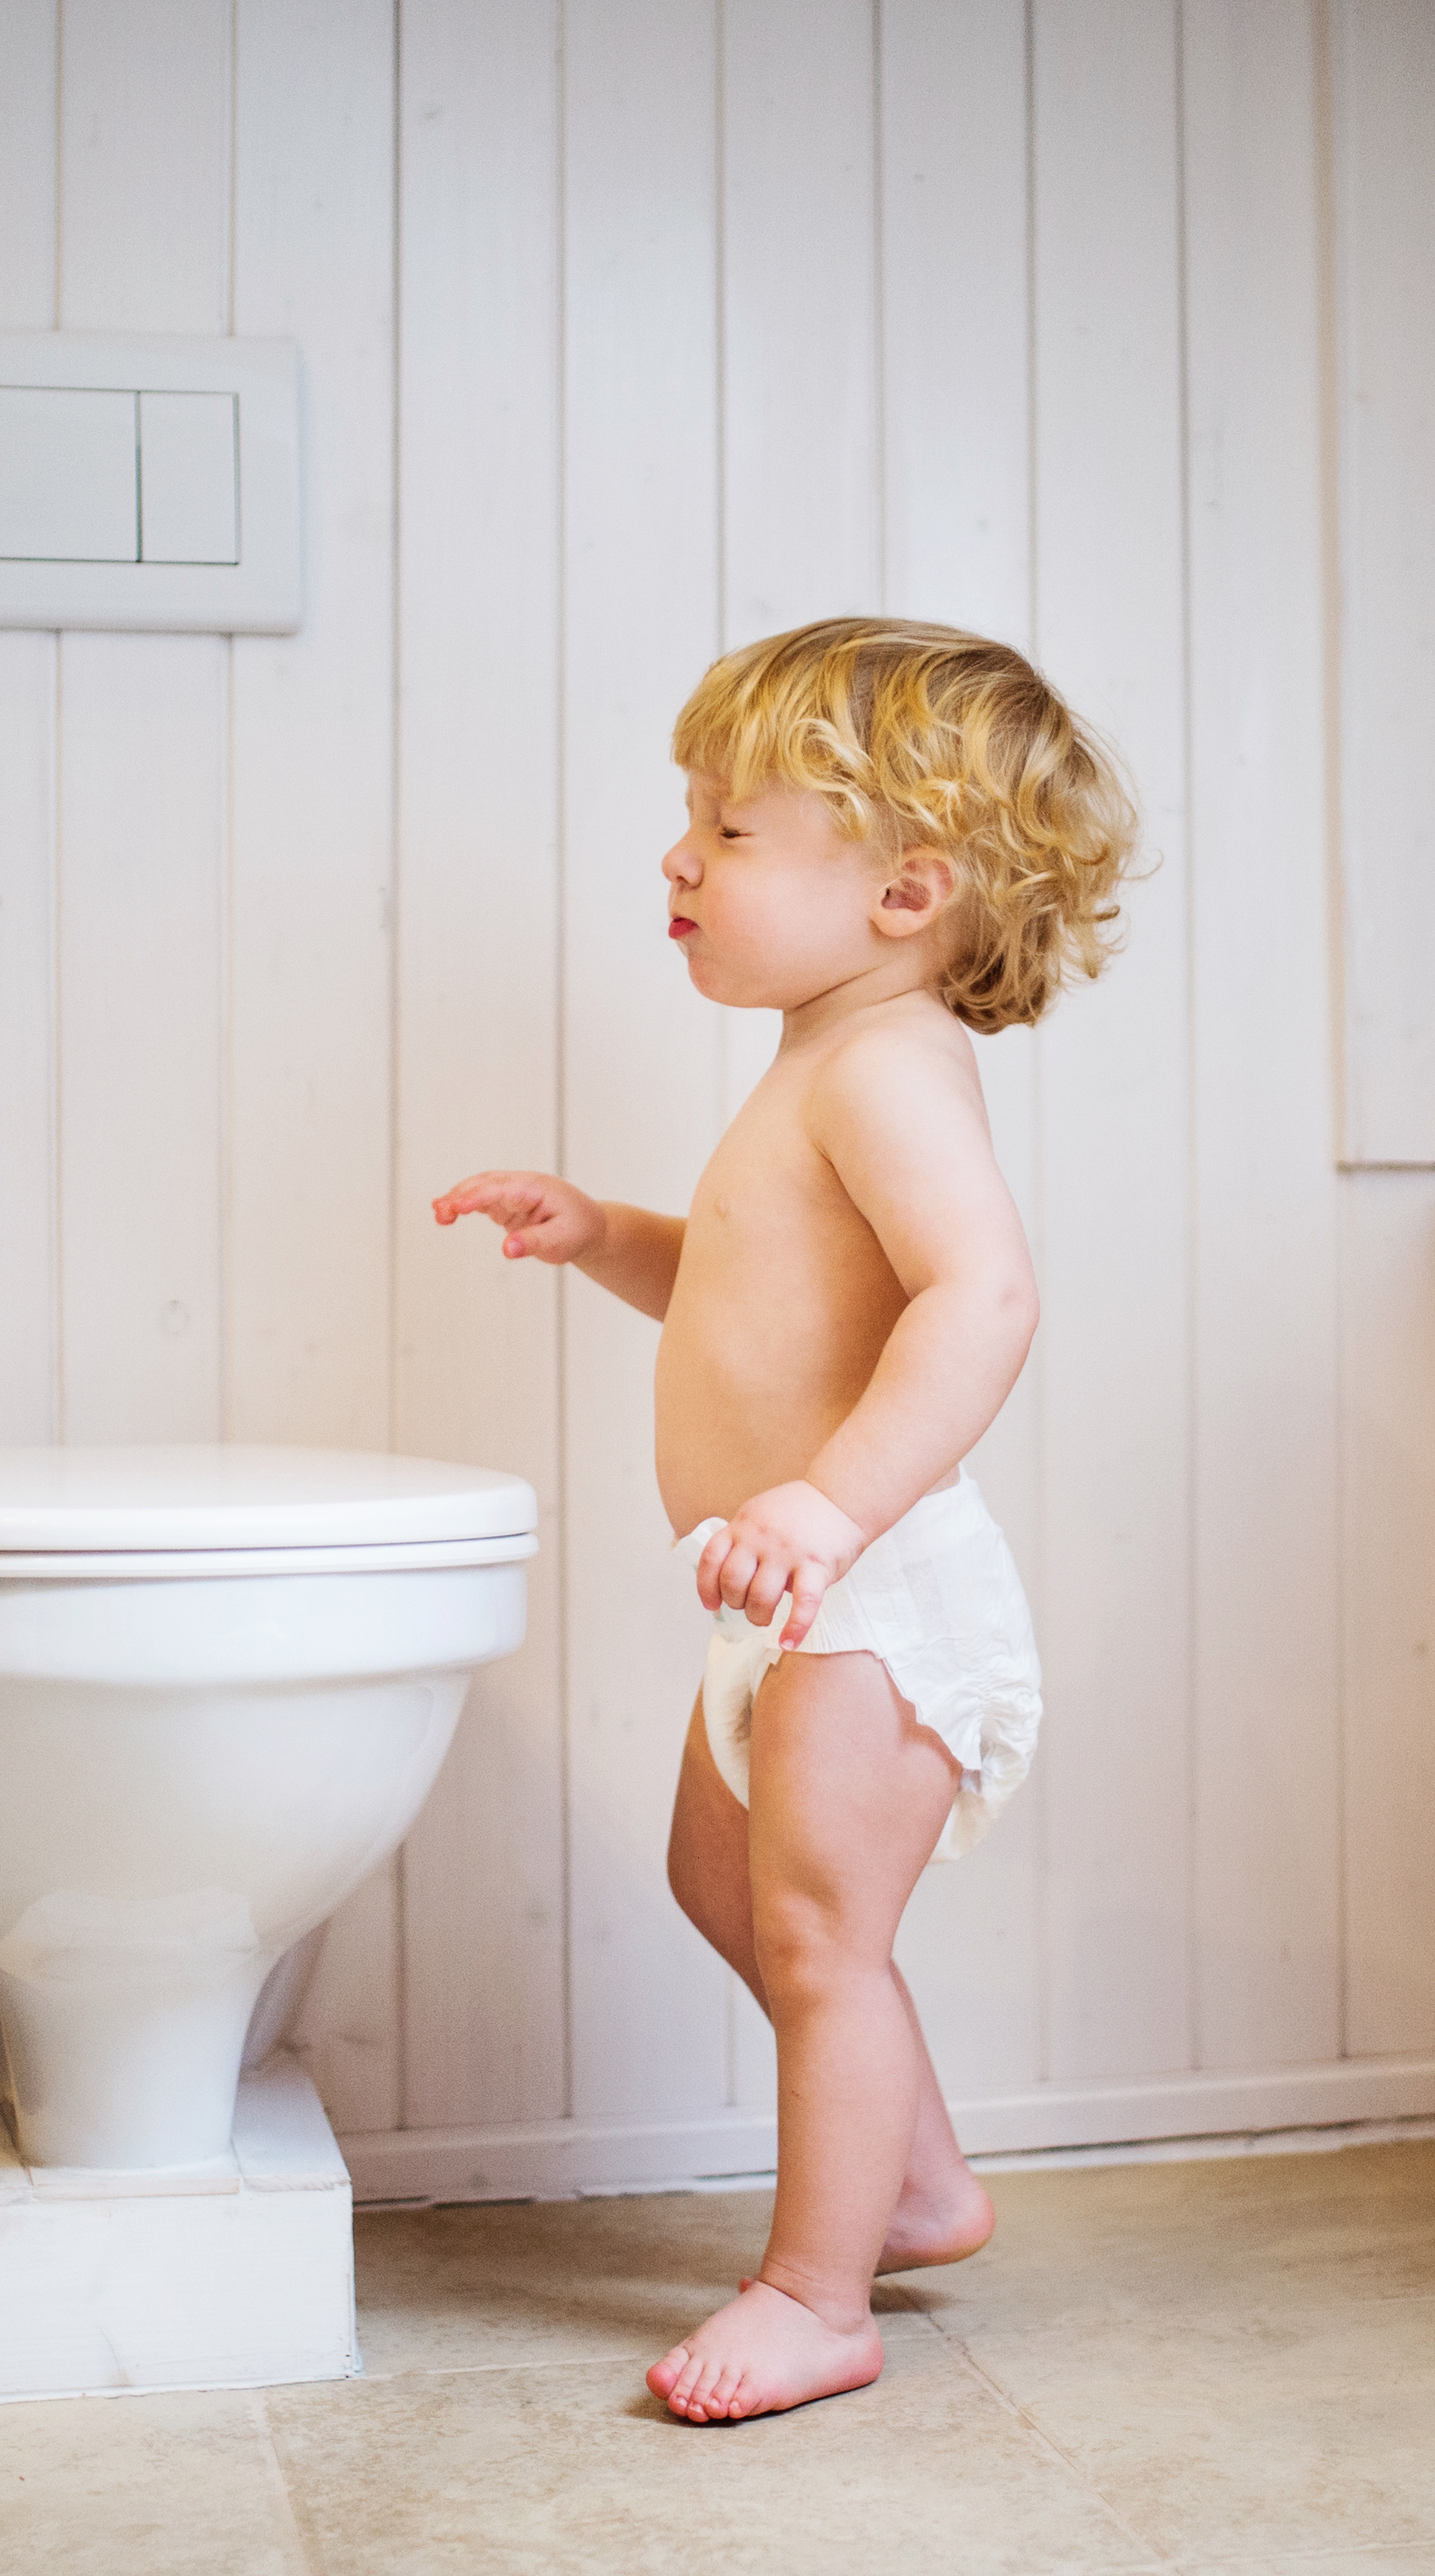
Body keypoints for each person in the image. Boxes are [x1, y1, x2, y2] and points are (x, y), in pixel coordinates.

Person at [432, 616, 1138, 2423]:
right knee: (724, 1884)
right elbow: (765, 1297)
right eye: (692, 818)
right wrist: (611, 1235)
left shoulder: (886, 1068)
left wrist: (827, 1506)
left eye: (731, 830)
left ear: (905, 891)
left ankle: (819, 2290)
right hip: (795, 1593)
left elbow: (980, 1296)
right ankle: (917, 2181)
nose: (680, 855)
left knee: (819, 1939)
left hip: (873, 1581)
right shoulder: (816, 1064)